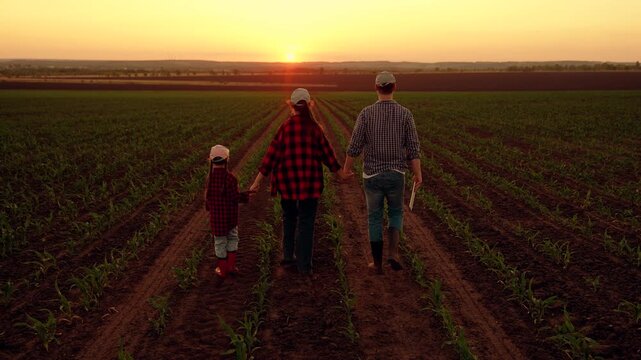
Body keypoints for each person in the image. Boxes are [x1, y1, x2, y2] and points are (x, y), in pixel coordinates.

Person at [250, 88, 342, 275]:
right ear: (309, 105)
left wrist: (257, 181)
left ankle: (287, 259)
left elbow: (271, 156)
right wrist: (340, 173)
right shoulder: (315, 129)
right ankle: (304, 266)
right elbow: (328, 155)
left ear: (291, 105)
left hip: (287, 185)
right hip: (310, 185)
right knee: (307, 223)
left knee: (289, 220)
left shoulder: (285, 127)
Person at [342, 71, 422, 274]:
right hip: (396, 174)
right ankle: (393, 254)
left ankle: (377, 264)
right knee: (396, 213)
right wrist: (418, 174)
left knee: (374, 217)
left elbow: (354, 146)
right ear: (394, 87)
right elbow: (413, 148)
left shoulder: (366, 114)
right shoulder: (406, 114)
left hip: (372, 176)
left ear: (376, 87)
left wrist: (346, 169)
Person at [204, 144, 251, 284]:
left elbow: (207, 200)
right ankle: (231, 267)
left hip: (217, 220)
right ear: (227, 160)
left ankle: (222, 270)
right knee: (232, 239)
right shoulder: (231, 178)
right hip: (230, 219)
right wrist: (246, 196)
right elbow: (235, 198)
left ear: (211, 161)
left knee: (219, 243)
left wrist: (209, 208)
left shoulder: (209, 180)